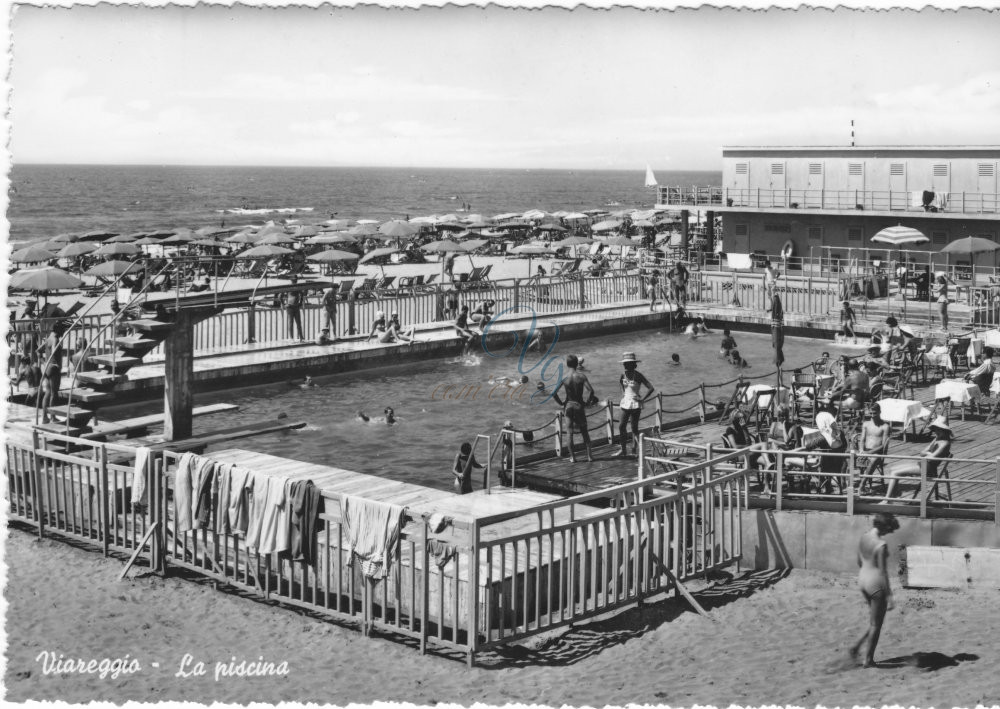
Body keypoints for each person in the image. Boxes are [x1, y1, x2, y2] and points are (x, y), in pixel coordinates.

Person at [850, 512, 899, 668]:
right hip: (875, 583)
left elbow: (859, 561)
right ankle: (868, 660)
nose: (889, 533)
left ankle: (857, 646)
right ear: (884, 527)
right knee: (876, 624)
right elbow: (883, 572)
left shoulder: (864, 537)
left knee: (874, 621)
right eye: (889, 529)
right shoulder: (881, 545)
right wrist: (889, 594)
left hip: (862, 579)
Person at [883, 416, 952, 500]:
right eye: (935, 429)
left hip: (928, 469)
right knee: (892, 469)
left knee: (895, 473)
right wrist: (928, 454)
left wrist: (927, 454)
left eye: (938, 429)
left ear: (944, 430)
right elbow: (922, 453)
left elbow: (931, 458)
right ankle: (895, 495)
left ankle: (887, 499)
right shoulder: (936, 439)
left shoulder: (945, 443)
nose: (936, 431)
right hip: (923, 464)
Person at [552, 354, 596, 463]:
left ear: (567, 364)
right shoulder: (581, 376)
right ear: (577, 364)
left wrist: (561, 403)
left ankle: (572, 457)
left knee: (569, 432)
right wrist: (587, 403)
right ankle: (590, 456)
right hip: (579, 405)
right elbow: (591, 391)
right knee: (584, 431)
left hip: (568, 406)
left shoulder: (564, 377)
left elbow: (554, 393)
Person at [615, 352, 655, 457]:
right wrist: (623, 393)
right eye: (624, 363)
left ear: (633, 364)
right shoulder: (622, 374)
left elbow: (651, 388)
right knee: (621, 426)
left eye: (627, 363)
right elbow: (620, 383)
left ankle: (634, 450)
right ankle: (623, 450)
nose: (625, 365)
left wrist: (642, 399)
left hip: (635, 404)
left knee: (634, 428)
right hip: (625, 403)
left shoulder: (638, 375)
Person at [37, 321, 66, 424]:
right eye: (63, 330)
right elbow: (54, 350)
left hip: (47, 368)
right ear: (58, 330)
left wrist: (44, 362)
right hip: (54, 369)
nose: (64, 332)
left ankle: (45, 417)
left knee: (48, 393)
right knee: (54, 394)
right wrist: (56, 364)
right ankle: (53, 417)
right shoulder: (55, 339)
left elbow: (38, 351)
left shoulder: (49, 337)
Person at [858, 403, 892, 492]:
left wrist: (869, 453)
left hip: (878, 452)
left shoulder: (885, 426)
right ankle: (844, 483)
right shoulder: (866, 424)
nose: (872, 416)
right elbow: (862, 439)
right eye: (871, 413)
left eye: (874, 413)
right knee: (847, 456)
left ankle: (862, 484)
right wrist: (861, 450)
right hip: (865, 451)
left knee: (874, 459)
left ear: (880, 412)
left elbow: (883, 445)